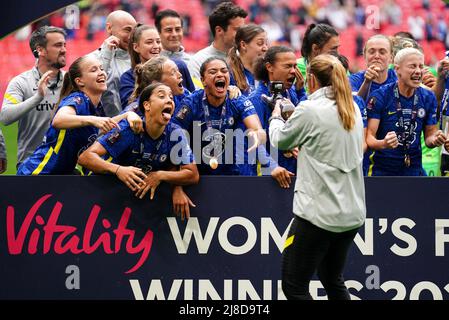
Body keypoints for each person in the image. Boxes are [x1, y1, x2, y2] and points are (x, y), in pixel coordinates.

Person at [269, 54, 366, 300]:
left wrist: (276, 116)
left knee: (294, 287)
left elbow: (280, 140)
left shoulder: (310, 109)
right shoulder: (352, 107)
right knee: (333, 281)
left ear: (311, 78)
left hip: (317, 215)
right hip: (350, 214)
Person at [78, 83, 199, 219]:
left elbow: (192, 174)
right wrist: (118, 170)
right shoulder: (128, 129)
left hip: (143, 203)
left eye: (171, 97)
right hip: (106, 192)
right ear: (147, 105)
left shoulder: (175, 133)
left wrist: (160, 176)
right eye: (161, 96)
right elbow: (85, 157)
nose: (169, 100)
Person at [17, 55, 141, 175]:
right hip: (39, 171)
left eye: (101, 68)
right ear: (79, 81)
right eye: (94, 70)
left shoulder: (96, 107)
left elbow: (107, 123)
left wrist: (128, 115)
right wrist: (92, 120)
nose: (101, 72)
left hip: (61, 176)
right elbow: (59, 120)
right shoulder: (78, 99)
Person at [173, 57, 266, 175]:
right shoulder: (191, 103)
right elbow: (175, 134)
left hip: (232, 175)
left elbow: (256, 127)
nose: (220, 75)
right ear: (203, 80)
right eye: (213, 72)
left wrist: (258, 133)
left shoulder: (237, 100)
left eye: (224, 71)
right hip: (200, 177)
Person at [366, 48, 446, 176]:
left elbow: (429, 137)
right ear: (397, 69)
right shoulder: (380, 96)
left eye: (421, 66)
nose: (418, 71)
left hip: (414, 170)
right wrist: (384, 143)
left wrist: (436, 139)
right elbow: (369, 138)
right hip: (382, 172)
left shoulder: (427, 97)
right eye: (412, 66)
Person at [0, 26, 66, 168]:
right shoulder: (20, 82)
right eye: (58, 45)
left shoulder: (71, 81)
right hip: (30, 163)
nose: (64, 50)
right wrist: (37, 98)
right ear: (40, 50)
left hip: (64, 163)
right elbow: (5, 117)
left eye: (64, 45)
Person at [243, 46, 306, 187]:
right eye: (288, 66)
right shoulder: (256, 100)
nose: (293, 71)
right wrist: (272, 166)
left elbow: (304, 124)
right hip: (269, 178)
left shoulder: (292, 94)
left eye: (295, 66)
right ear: (270, 67)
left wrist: (301, 93)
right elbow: (255, 140)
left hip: (293, 175)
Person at [119, 24, 194, 109]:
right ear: (136, 47)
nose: (156, 46)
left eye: (158, 42)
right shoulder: (128, 78)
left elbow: (195, 103)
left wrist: (195, 122)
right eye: (149, 42)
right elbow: (131, 111)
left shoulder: (179, 66)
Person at [188, 2, 247, 89]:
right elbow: (198, 96)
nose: (242, 34)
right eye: (237, 30)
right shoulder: (198, 62)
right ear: (219, 30)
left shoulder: (244, 58)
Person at [91, 10, 137, 116]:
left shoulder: (138, 59)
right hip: (103, 129)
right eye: (127, 30)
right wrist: (106, 55)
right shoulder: (90, 60)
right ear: (109, 28)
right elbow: (91, 90)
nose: (131, 37)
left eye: (134, 32)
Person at [349, 35, 397, 102]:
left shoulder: (398, 79)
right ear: (364, 56)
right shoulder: (353, 80)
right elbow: (355, 107)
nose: (376, 56)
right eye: (372, 52)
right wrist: (367, 82)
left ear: (391, 57)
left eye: (382, 52)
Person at [227, 24, 268, 96]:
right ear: (243, 45)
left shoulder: (268, 73)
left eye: (266, 44)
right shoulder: (228, 75)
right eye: (260, 43)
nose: (265, 48)